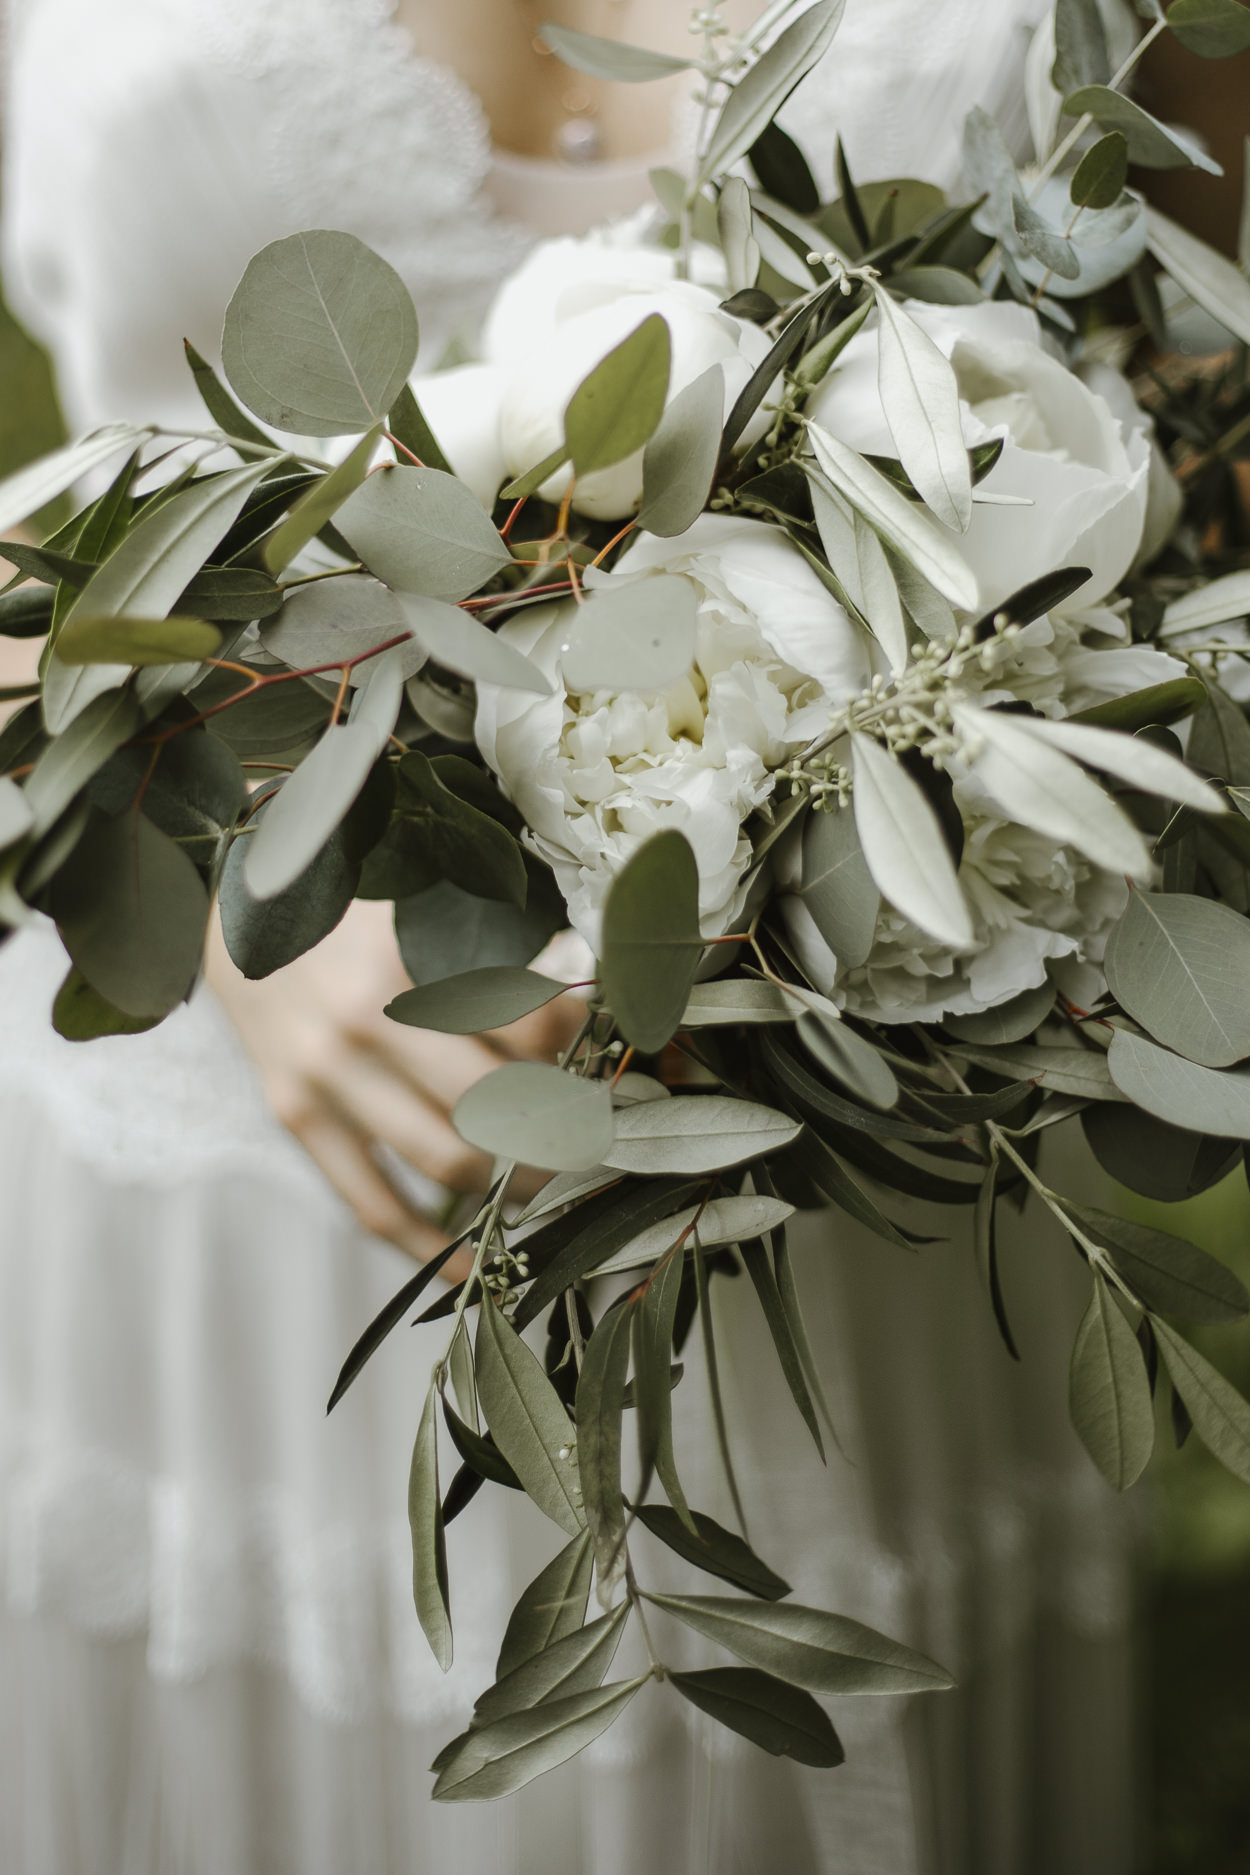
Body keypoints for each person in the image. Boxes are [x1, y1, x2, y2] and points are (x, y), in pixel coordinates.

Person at [0, 3, 1142, 1870]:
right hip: (198, 1114)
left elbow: (1186, 414)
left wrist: (870, 858)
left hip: (828, 1133)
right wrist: (218, 859)